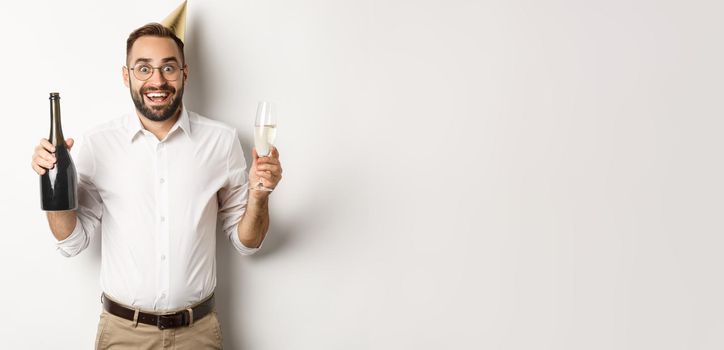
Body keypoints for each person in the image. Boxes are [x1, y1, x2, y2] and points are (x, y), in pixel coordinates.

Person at [30, 22, 282, 350]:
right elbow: (73, 242)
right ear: (126, 76)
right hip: (123, 334)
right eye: (144, 68)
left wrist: (260, 197)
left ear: (185, 73)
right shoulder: (98, 144)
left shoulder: (221, 141)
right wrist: (51, 183)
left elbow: (247, 242)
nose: (157, 80)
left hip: (198, 334)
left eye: (168, 67)